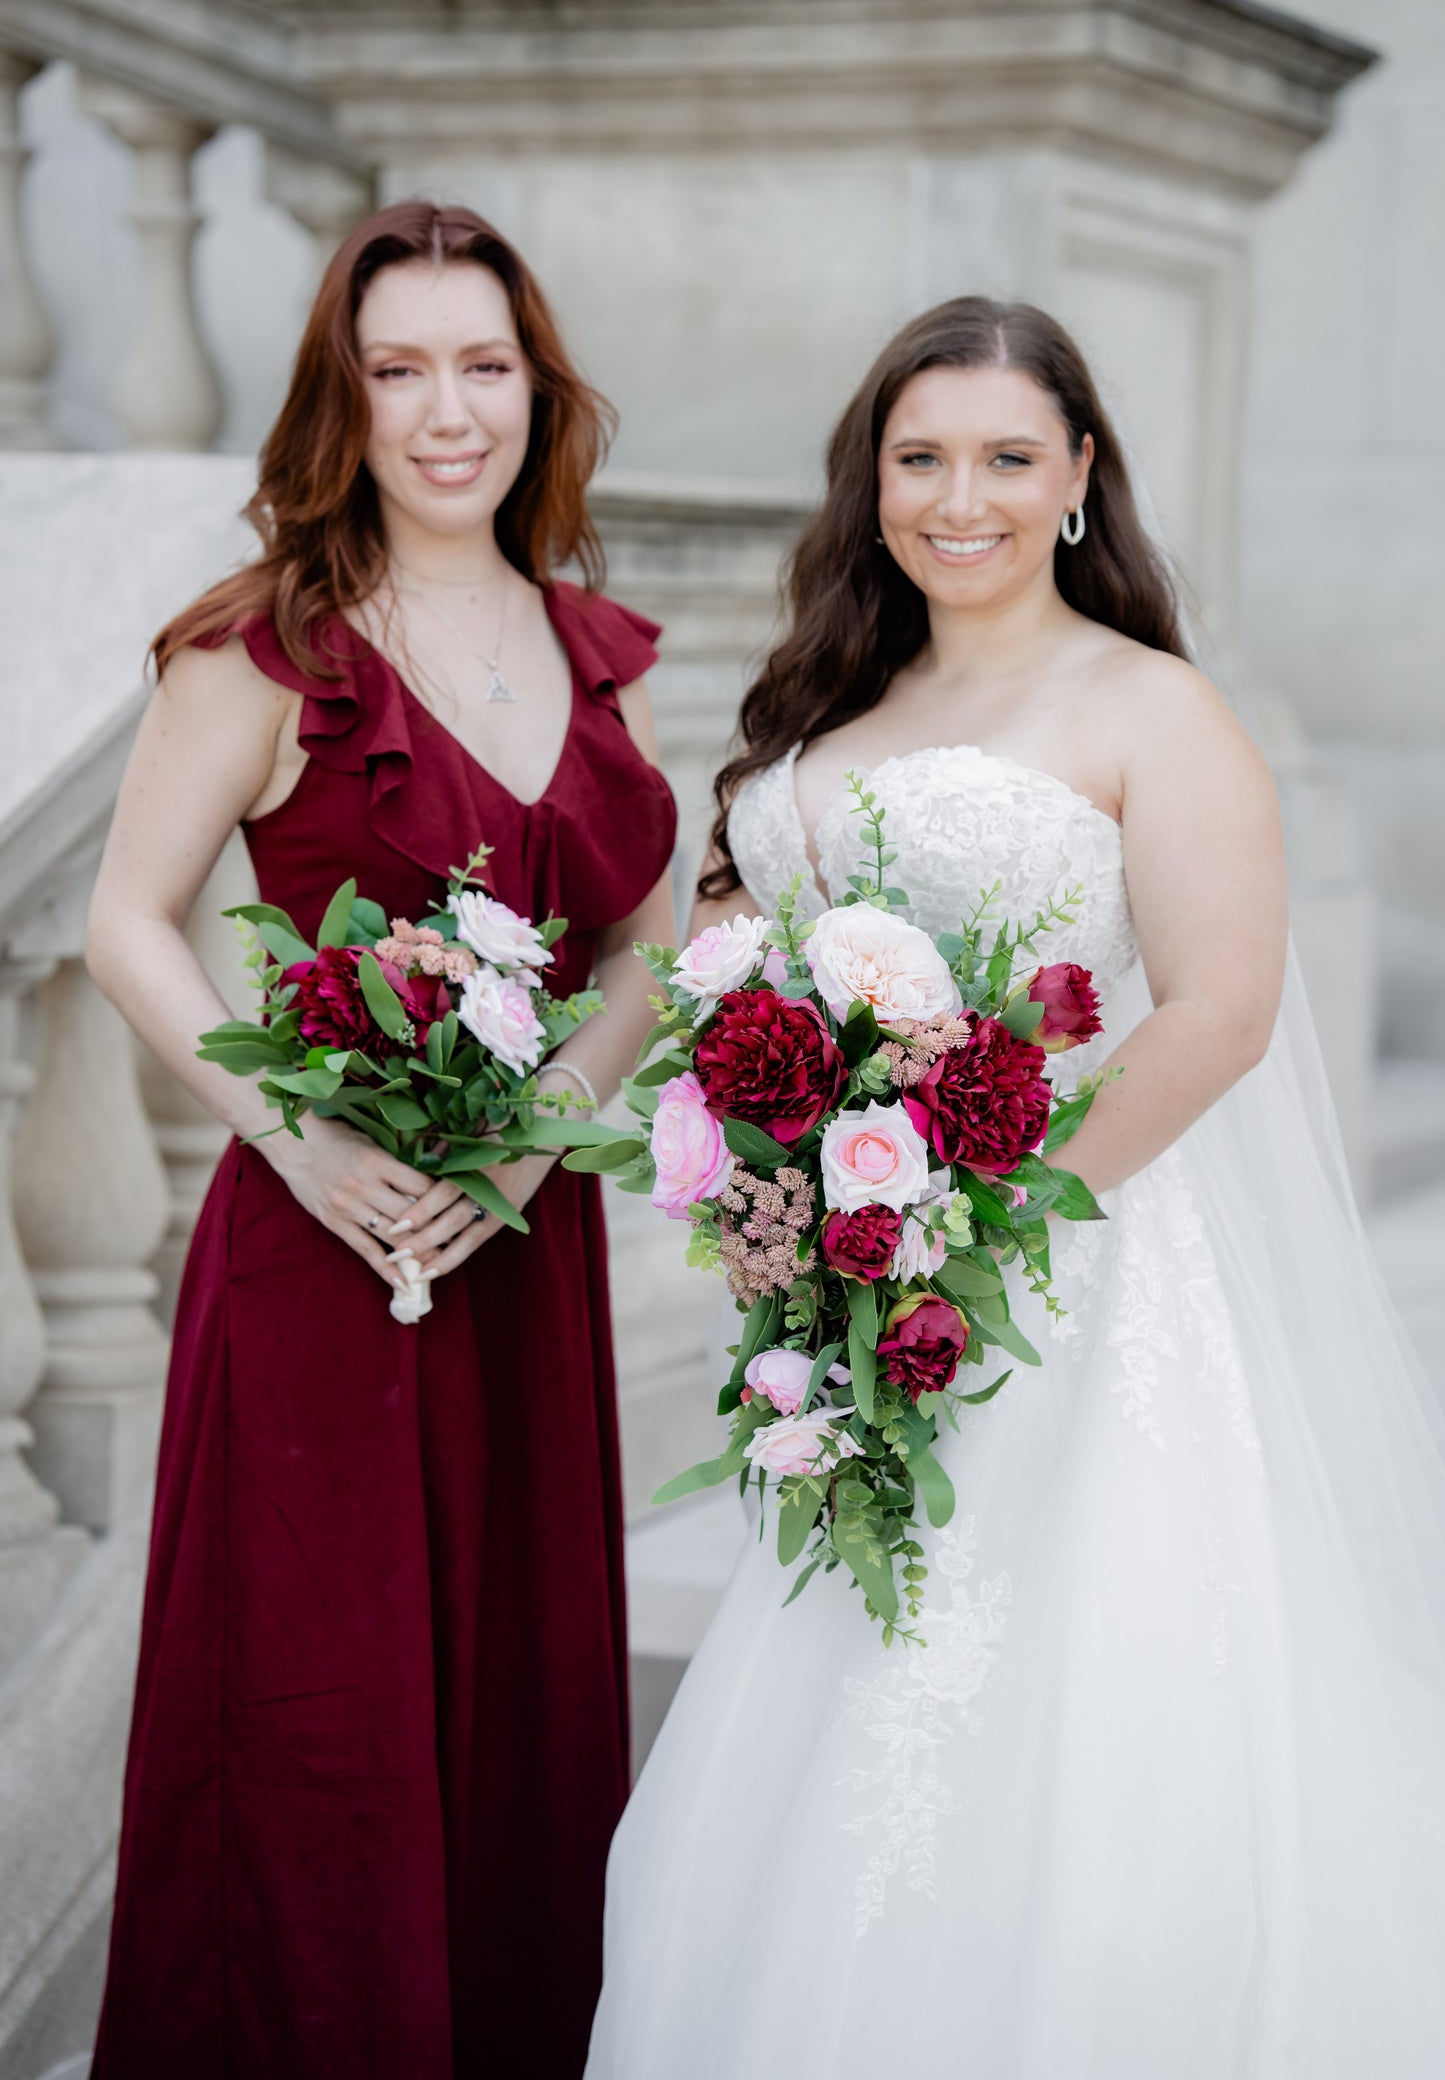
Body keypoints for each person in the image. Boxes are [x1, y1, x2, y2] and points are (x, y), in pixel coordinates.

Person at [586, 298, 1445, 2078]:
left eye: (1001, 457)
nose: (953, 497)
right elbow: (729, 978)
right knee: (854, 1672)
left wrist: (964, 1232)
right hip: (846, 1289)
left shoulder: (1150, 706)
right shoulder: (827, 704)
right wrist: (778, 1192)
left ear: (1073, 483)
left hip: (1074, 1275)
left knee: (1077, 1699)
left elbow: (1215, 1013)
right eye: (917, 459)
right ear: (869, 481)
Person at [85, 201, 675, 2080]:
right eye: (397, 367)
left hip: (518, 1251)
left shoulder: (598, 649)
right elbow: (122, 923)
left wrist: (532, 1147)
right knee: (314, 1738)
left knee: (516, 1726)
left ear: (535, 387)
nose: (446, 412)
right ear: (343, 398)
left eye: (481, 365)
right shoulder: (263, 650)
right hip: (329, 1268)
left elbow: (657, 935)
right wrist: (306, 1152)